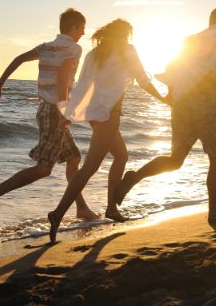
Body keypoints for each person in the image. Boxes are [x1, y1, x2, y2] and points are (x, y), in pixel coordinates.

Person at [113, 7, 216, 224]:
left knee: (175, 159)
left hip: (182, 104)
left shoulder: (190, 40)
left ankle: (135, 177)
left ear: (209, 20)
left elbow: (173, 66)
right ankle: (214, 212)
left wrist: (171, 94)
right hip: (207, 104)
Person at [47, 19, 169, 241]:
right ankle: (57, 213)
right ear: (125, 36)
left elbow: (84, 85)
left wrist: (70, 113)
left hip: (96, 113)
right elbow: (143, 81)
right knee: (90, 167)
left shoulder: (94, 54)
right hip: (109, 114)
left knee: (121, 156)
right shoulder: (127, 51)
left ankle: (112, 208)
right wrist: (165, 100)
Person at [0, 8, 96, 225]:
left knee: (73, 158)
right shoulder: (73, 49)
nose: (83, 33)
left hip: (45, 109)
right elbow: (63, 78)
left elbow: (19, 59)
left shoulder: (45, 47)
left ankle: (82, 208)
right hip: (54, 110)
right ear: (73, 27)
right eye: (82, 28)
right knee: (44, 169)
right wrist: (64, 110)